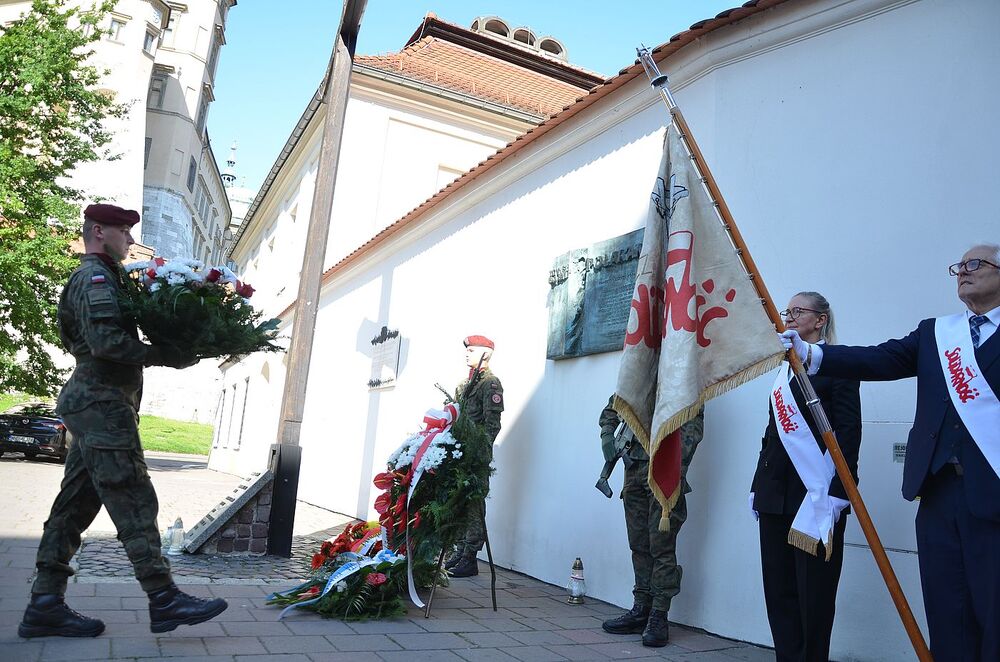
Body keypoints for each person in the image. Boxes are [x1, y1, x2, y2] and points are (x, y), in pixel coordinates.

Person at [19, 204, 228, 639]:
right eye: (123, 232)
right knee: (132, 495)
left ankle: (44, 605)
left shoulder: (107, 277)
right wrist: (162, 355)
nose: (131, 240)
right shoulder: (94, 278)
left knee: (74, 506)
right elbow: (105, 341)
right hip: (100, 405)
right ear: (99, 232)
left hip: (97, 403)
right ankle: (164, 597)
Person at [782, 245, 1000, 661]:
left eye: (975, 265)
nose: (962, 273)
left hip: (993, 492)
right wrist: (812, 353)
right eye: (958, 267)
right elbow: (879, 359)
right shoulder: (938, 333)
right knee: (947, 611)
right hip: (937, 493)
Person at [753, 292, 861, 661]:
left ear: (821, 320)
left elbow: (849, 433)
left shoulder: (838, 366)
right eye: (788, 311)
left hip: (815, 497)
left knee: (813, 593)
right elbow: (771, 432)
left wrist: (838, 491)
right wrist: (757, 486)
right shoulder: (783, 369)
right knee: (779, 591)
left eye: (798, 311)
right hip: (774, 494)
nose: (790, 317)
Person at [599, 398, 704, 647]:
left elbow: (692, 429)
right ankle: (641, 608)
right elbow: (614, 405)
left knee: (662, 547)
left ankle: (659, 614)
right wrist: (606, 434)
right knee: (639, 544)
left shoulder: (684, 381)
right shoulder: (640, 376)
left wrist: (674, 464)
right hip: (634, 469)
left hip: (663, 472)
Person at [446, 335, 504, 578]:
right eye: (466, 350)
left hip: (476, 456)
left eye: (471, 350)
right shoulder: (463, 385)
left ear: (485, 354)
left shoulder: (490, 384)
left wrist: (478, 454)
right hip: (460, 454)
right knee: (460, 503)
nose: (466, 354)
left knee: (474, 505)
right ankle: (459, 551)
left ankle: (470, 557)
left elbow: (493, 425)